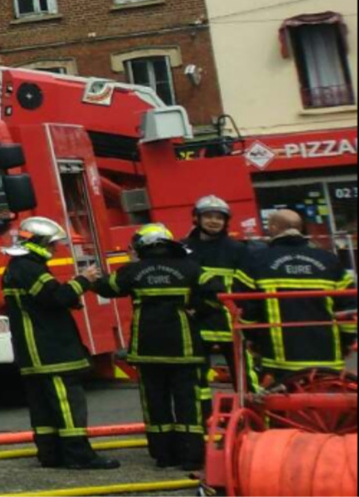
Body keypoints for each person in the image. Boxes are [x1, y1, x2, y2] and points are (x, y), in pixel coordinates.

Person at [94, 224, 222, 471]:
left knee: (155, 403)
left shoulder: (133, 270)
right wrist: (197, 311)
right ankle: (192, 456)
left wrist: (128, 264)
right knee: (188, 403)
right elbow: (216, 293)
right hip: (183, 349)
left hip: (147, 350)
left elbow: (105, 288)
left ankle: (164, 455)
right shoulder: (190, 268)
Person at [2, 217, 120, 470]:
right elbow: (54, 297)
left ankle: (50, 454)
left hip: (34, 352)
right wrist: (83, 280)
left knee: (43, 407)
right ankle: (79, 455)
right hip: (49, 352)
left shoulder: (19, 266)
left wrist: (68, 298)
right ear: (40, 243)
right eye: (53, 244)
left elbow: (41, 302)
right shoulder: (29, 267)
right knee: (67, 404)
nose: (55, 249)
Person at [235, 210, 357, 385]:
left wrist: (254, 340)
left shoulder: (255, 261)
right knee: (325, 406)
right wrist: (347, 341)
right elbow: (348, 308)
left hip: (278, 359)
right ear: (300, 229)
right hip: (327, 356)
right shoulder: (329, 260)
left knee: (280, 408)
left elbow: (247, 310)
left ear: (273, 228)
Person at [181, 196, 259, 404]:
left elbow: (246, 286)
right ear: (197, 219)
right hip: (196, 320)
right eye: (208, 216)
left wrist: (247, 317)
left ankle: (252, 420)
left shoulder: (237, 249)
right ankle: (202, 421)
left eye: (218, 217)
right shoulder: (183, 249)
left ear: (226, 221)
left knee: (244, 375)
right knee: (196, 377)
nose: (214, 221)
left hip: (231, 320)